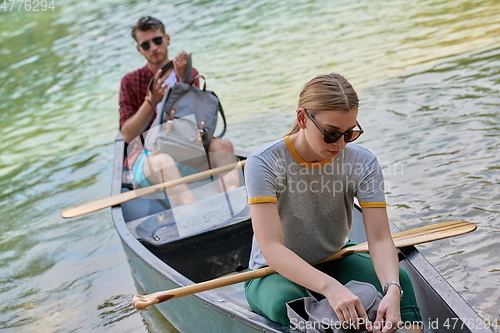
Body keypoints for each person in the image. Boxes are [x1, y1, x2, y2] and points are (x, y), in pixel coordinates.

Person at [244, 73, 423, 333]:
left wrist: (392, 289)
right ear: (302, 118)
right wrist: (330, 288)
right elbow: (271, 247)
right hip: (272, 272)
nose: (340, 144)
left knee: (401, 280)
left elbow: (381, 239)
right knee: (289, 302)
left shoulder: (363, 163)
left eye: (350, 134)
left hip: (335, 257)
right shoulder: (263, 163)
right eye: (331, 134)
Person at [119, 16, 239, 206]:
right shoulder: (130, 81)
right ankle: (190, 218)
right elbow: (127, 134)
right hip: (149, 156)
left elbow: (198, 122)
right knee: (164, 162)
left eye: (157, 41)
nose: (153, 48)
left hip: (188, 148)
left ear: (167, 39)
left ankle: (237, 206)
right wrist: (151, 103)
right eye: (146, 45)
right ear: (139, 50)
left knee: (223, 146)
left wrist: (184, 83)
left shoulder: (188, 72)